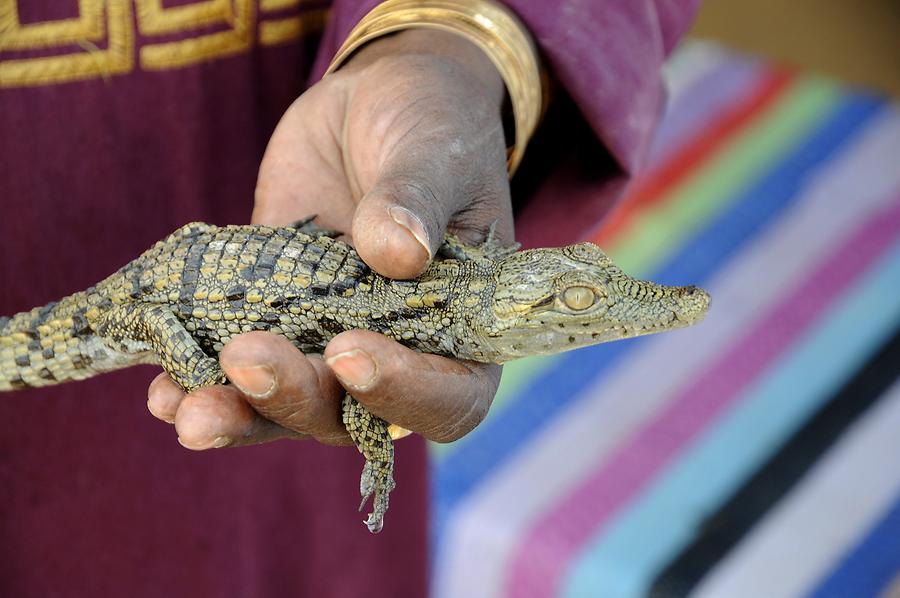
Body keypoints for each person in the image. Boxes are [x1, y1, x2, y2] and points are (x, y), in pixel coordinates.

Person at [0, 1, 699, 595]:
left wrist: (448, 42)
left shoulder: (444, 276)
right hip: (137, 311)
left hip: (271, 444)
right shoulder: (428, 302)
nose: (608, 304)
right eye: (575, 298)